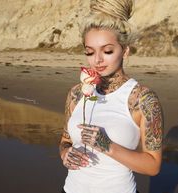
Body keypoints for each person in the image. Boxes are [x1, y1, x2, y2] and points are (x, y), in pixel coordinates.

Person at [59, 0, 163, 193]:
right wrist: (66, 153)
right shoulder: (76, 93)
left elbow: (153, 166)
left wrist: (107, 145)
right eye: (89, 52)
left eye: (107, 51)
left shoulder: (142, 99)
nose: (97, 60)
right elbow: (65, 140)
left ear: (125, 50)